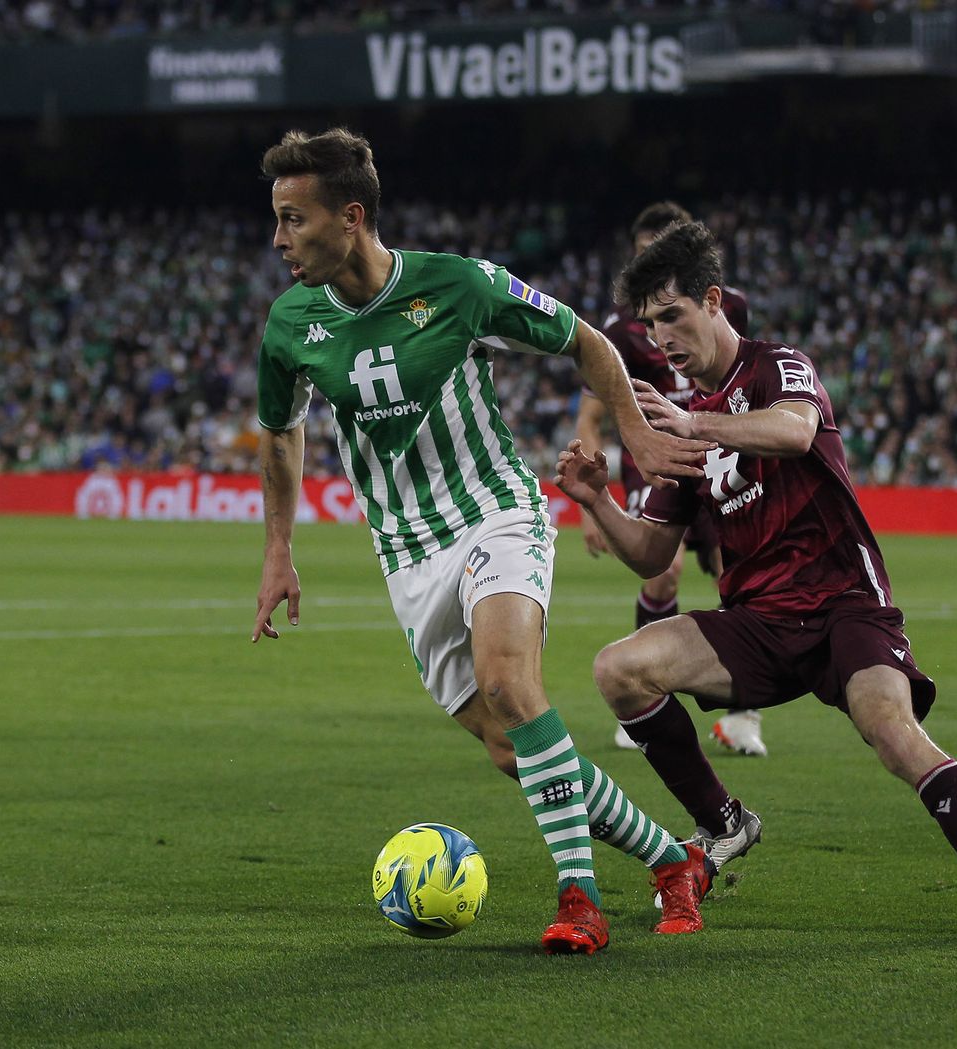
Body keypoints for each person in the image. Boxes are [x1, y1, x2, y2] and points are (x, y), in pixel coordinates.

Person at [248, 128, 719, 955]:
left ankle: (580, 898)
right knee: (512, 747)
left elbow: (586, 340)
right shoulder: (291, 324)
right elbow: (282, 438)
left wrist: (638, 434)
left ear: (350, 217)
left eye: (294, 219)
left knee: (510, 681)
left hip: (493, 513)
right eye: (277, 219)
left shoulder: (457, 287)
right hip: (405, 552)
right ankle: (671, 857)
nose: (279, 240)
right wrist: (278, 551)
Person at [553, 220, 957, 941]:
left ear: (713, 300)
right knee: (620, 669)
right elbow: (650, 553)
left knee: (891, 729)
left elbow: (794, 431)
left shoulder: (776, 366)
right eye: (649, 323)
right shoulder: (681, 417)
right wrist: (596, 501)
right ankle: (724, 823)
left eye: (673, 315)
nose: (661, 337)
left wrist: (695, 426)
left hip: (845, 606)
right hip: (757, 621)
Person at [575, 201, 768, 759]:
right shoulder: (616, 330)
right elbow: (593, 411)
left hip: (718, 448)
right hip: (654, 460)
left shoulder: (731, 308)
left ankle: (741, 715)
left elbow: (741, 377)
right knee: (666, 569)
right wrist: (597, 504)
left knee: (740, 572)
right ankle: (645, 707)